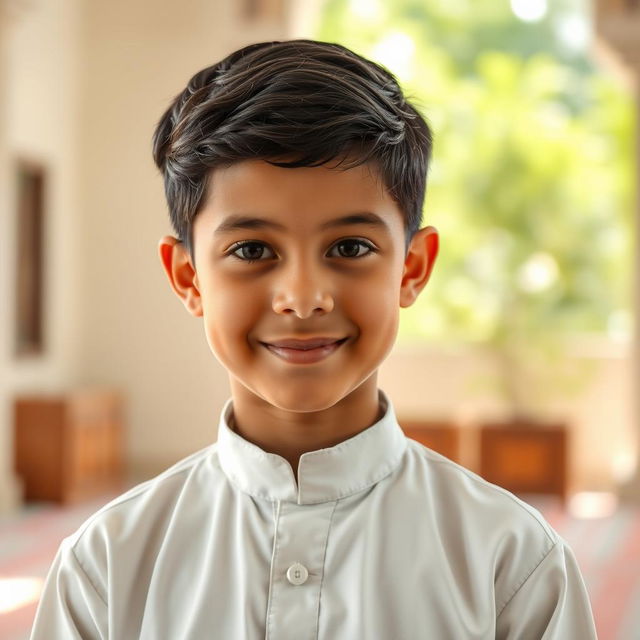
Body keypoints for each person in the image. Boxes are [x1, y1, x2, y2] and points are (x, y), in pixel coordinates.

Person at [30, 39, 597, 639]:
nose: (302, 298)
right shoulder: (108, 566)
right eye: (252, 250)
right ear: (188, 276)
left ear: (412, 268)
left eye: (350, 248)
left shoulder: (511, 563)